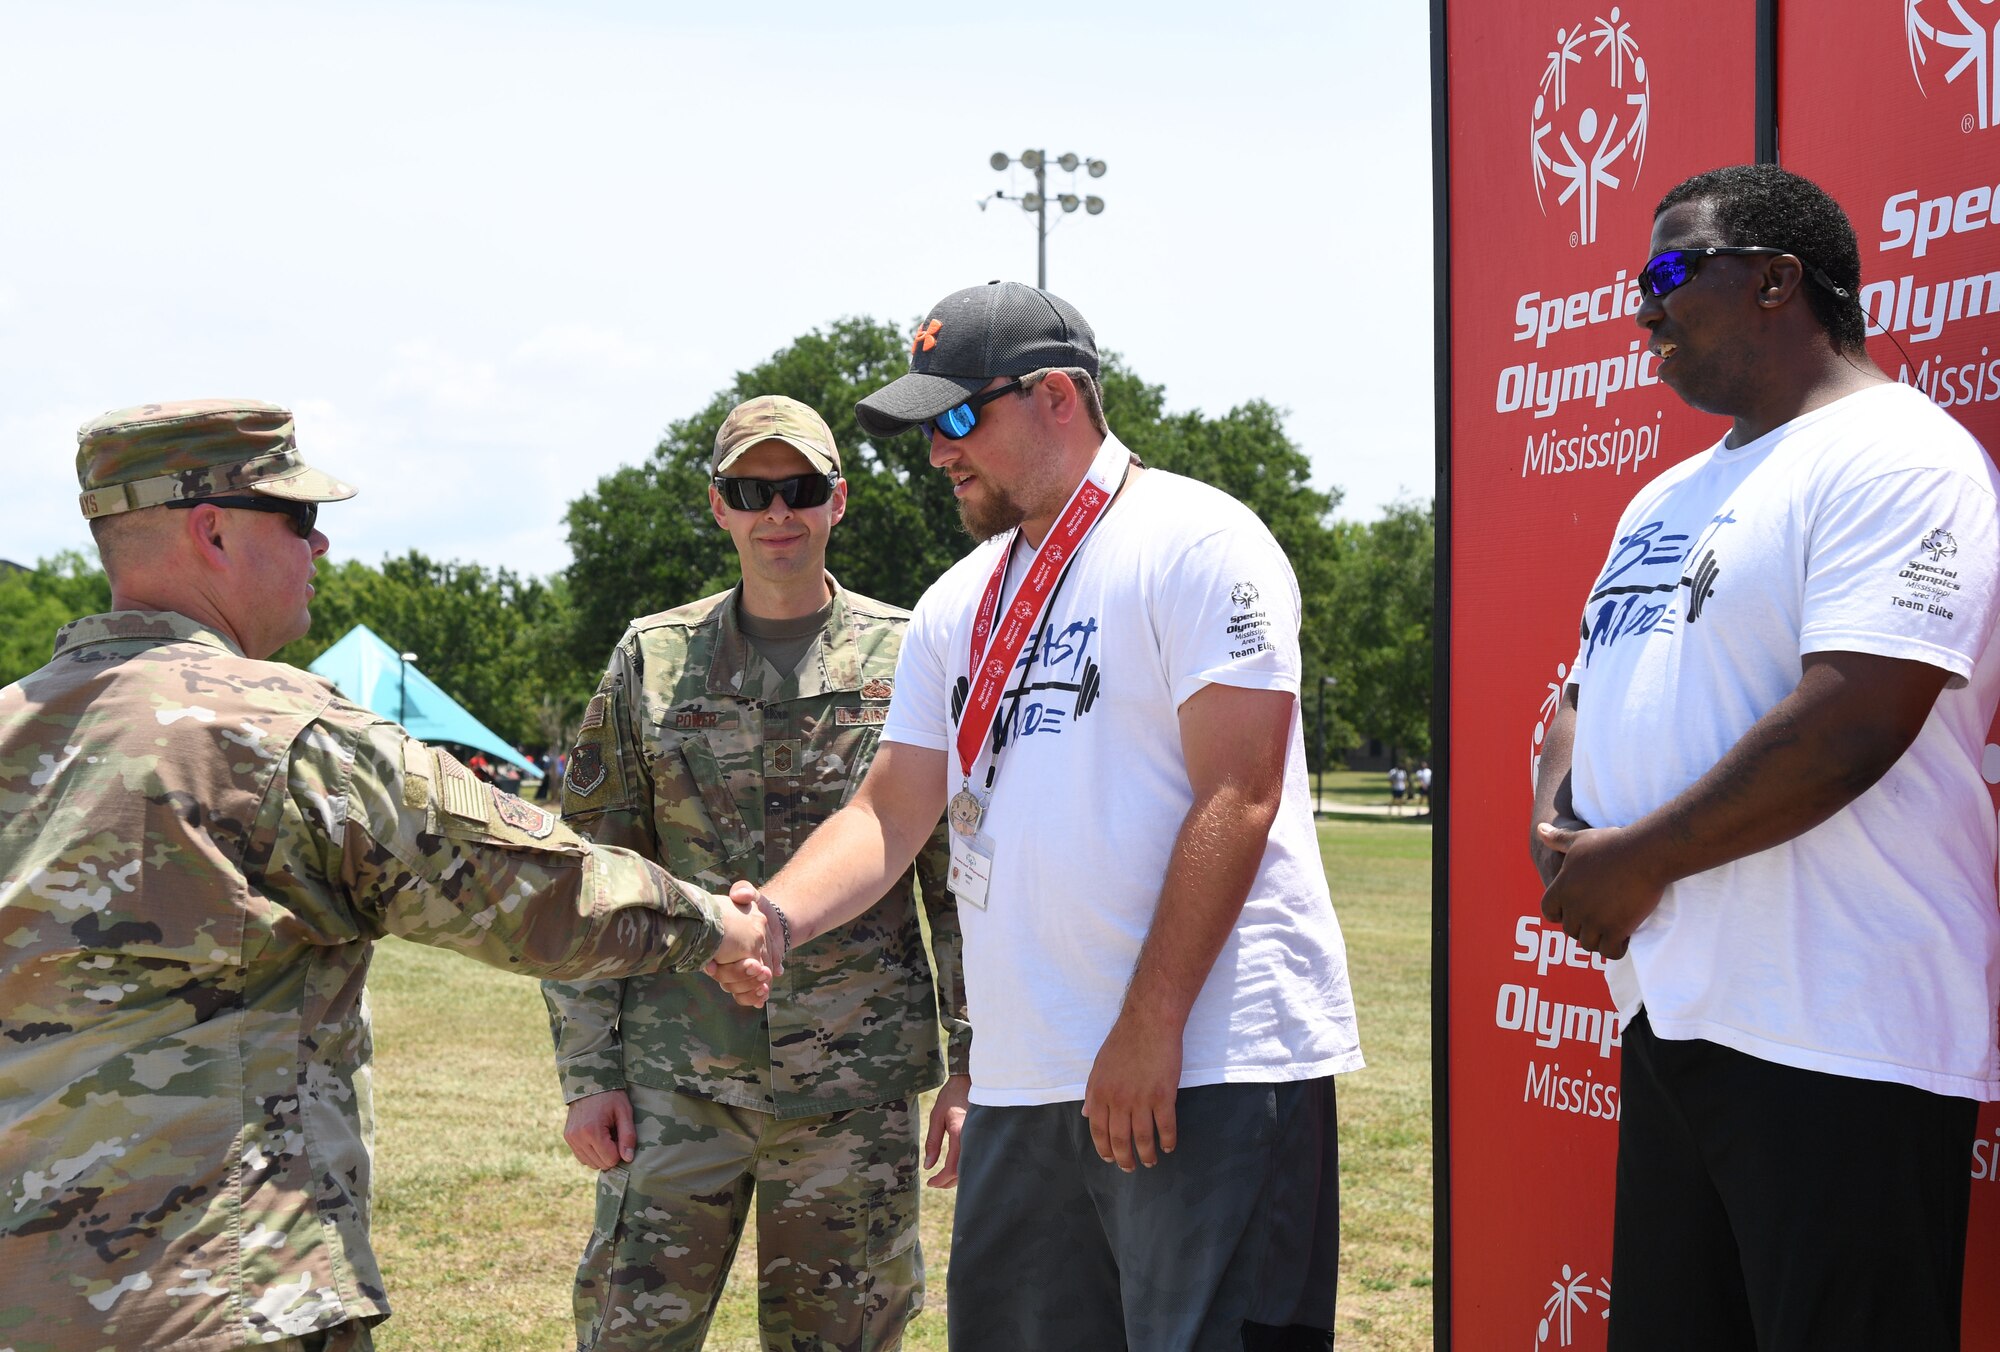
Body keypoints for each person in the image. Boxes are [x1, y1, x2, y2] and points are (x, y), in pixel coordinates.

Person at [0, 400, 775, 1352]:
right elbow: (530, 887)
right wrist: (717, 929)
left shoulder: (12, 726)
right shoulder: (273, 733)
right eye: (298, 519)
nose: (319, 545)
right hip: (217, 1298)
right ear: (212, 529)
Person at [716, 282, 1363, 1351]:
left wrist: (1148, 1024)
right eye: (925, 431)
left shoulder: (1198, 541)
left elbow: (1238, 792)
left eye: (958, 418)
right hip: (1028, 1079)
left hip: (1203, 1067)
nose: (938, 454)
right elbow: (892, 805)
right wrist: (775, 918)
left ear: (1057, 395)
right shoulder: (957, 600)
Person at [1531, 165, 2000, 1350]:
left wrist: (1633, 857)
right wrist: (1561, 818)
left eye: (1667, 275)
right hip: (1679, 1014)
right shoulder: (1662, 495)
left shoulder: (1900, 455)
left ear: (1776, 281)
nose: (1639, 310)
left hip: (1836, 1027)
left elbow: (1855, 715)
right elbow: (1580, 691)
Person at [544, 395, 966, 1351]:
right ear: (719, 506)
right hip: (674, 1083)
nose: (779, 513)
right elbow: (589, 874)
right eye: (752, 490)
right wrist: (588, 1073)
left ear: (838, 501)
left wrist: (973, 1062)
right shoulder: (651, 662)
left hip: (849, 1095)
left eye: (801, 489)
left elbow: (955, 881)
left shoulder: (913, 658)